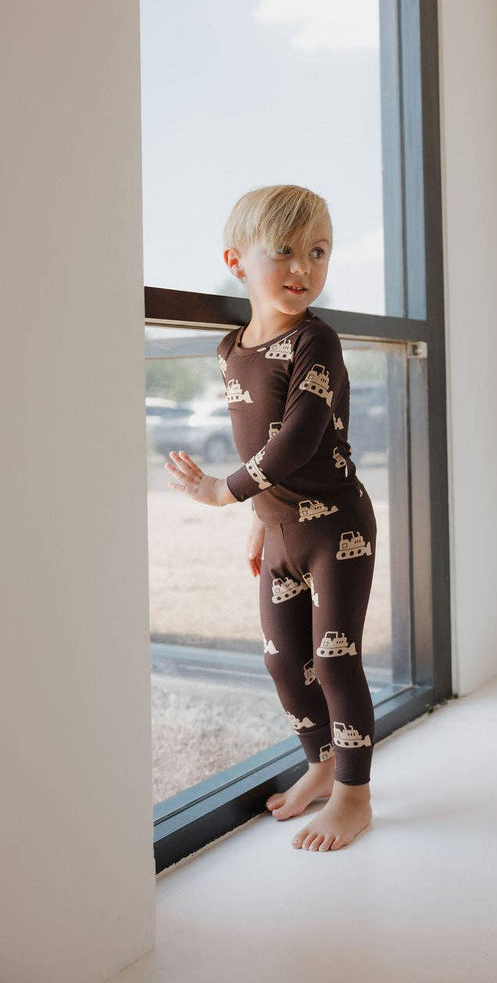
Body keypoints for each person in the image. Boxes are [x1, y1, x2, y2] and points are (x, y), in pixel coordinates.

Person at [165, 183, 377, 853]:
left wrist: (222, 493)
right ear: (236, 262)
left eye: (318, 252)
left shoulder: (317, 340)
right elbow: (252, 434)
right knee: (284, 662)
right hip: (281, 529)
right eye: (283, 250)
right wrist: (259, 514)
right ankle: (321, 764)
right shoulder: (231, 349)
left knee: (334, 660)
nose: (302, 267)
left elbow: (297, 440)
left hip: (336, 527)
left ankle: (354, 795)